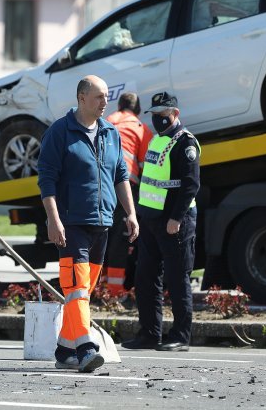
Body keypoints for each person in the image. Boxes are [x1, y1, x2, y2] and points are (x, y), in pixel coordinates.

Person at [38, 75, 139, 373]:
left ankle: (63, 349)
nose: (105, 101)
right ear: (82, 98)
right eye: (98, 97)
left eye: (107, 96)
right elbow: (46, 179)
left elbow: (121, 175)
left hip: (102, 223)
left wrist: (131, 213)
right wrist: (53, 219)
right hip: (71, 225)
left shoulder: (111, 132)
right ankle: (85, 348)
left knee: (82, 291)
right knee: (77, 288)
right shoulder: (60, 132)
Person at [121, 91, 201, 352]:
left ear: (175, 114)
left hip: (174, 223)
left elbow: (190, 186)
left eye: (162, 115)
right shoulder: (156, 140)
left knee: (178, 280)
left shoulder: (185, 143)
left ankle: (180, 336)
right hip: (152, 220)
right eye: (154, 115)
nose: (157, 120)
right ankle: (149, 334)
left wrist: (176, 218)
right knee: (145, 278)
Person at [104, 92, 153, 296]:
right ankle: (115, 290)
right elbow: (145, 164)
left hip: (102, 184)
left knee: (100, 235)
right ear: (138, 110)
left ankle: (99, 286)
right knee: (120, 238)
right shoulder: (141, 129)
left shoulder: (107, 121)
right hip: (124, 187)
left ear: (119, 106)